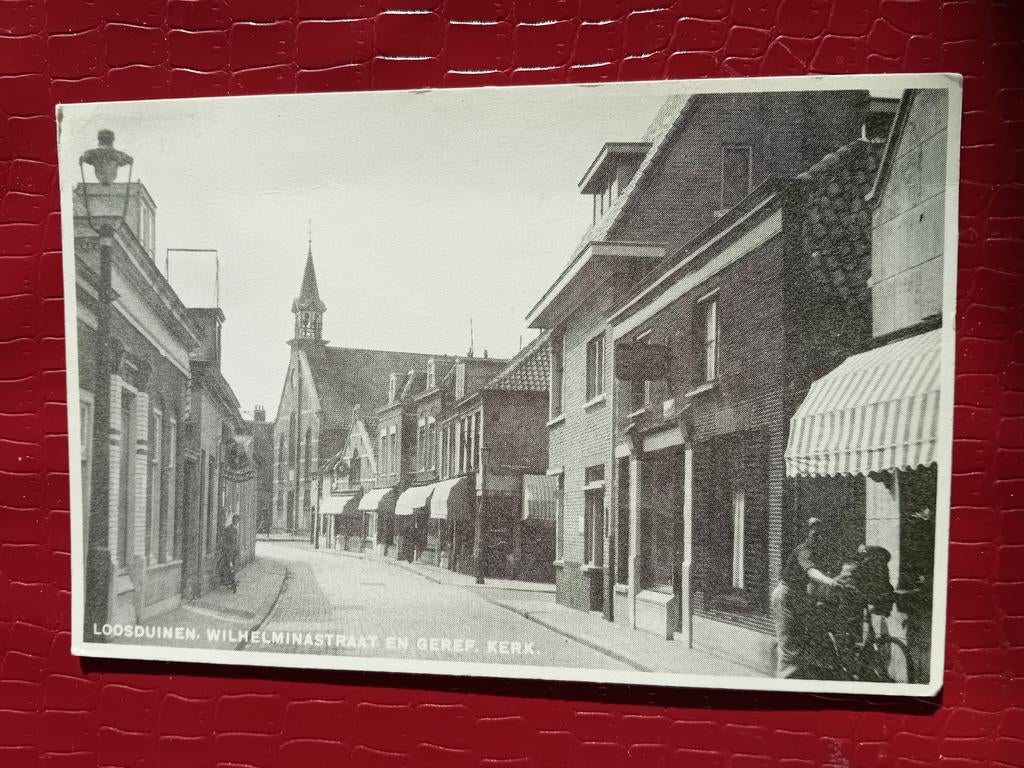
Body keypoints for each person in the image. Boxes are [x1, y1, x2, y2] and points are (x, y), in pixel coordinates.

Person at [771, 517, 837, 678]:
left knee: (805, 639)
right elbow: (811, 572)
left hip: (800, 596)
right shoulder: (803, 550)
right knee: (790, 651)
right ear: (807, 534)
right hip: (786, 596)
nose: (817, 536)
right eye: (813, 533)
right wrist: (830, 582)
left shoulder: (819, 553)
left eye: (820, 534)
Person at [218, 514, 241, 593]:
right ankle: (232, 583)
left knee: (233, 567)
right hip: (229, 552)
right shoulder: (228, 529)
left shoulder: (237, 529)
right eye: (234, 520)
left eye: (237, 520)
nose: (235, 521)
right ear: (232, 520)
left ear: (238, 521)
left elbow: (237, 541)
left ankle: (232, 582)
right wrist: (227, 549)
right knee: (230, 567)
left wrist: (238, 550)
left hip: (235, 552)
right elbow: (224, 540)